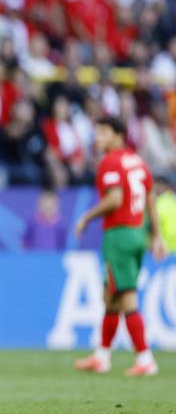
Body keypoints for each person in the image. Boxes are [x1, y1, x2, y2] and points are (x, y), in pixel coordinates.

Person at [74, 117, 166, 377]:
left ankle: (145, 358)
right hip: (138, 233)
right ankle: (101, 357)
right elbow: (150, 199)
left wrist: (86, 218)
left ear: (119, 135)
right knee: (111, 296)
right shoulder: (137, 161)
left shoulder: (110, 162)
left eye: (103, 132)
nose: (98, 137)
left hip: (119, 235)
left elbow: (115, 200)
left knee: (126, 296)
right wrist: (156, 236)